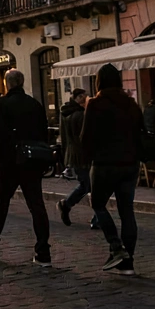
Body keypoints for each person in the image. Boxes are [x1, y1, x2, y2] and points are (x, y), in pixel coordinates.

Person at [0, 69, 51, 266]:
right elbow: (44, 132)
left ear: (7, 84)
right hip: (32, 160)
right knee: (37, 205)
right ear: (22, 83)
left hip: (11, 162)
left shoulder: (3, 104)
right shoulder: (35, 104)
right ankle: (43, 251)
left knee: (1, 203)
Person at [81, 64, 145, 275]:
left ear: (98, 82)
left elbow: (86, 136)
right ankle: (128, 262)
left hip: (105, 163)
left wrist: (85, 158)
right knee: (127, 211)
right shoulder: (131, 104)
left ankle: (116, 247)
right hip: (130, 162)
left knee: (98, 204)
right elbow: (140, 131)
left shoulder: (95, 104)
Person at [58, 88, 97, 228]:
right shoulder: (80, 115)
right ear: (79, 97)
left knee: (88, 185)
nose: (86, 100)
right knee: (91, 185)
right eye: (84, 97)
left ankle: (67, 205)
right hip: (83, 155)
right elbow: (87, 136)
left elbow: (63, 136)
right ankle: (67, 204)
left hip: (73, 154)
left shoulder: (65, 112)